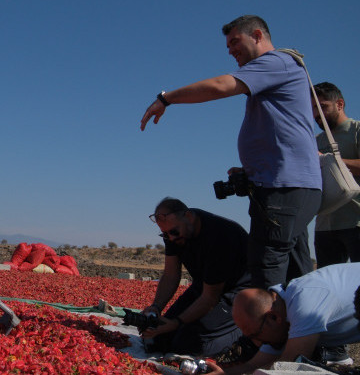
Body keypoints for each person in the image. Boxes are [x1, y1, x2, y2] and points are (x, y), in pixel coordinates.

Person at [140, 15, 321, 289]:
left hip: (283, 188)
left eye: (235, 41)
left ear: (258, 35)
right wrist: (251, 169)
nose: (230, 50)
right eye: (227, 46)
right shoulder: (278, 71)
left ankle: (266, 330)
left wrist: (166, 99)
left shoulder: (276, 63)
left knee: (266, 269)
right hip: (282, 184)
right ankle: (299, 329)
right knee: (295, 271)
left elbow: (220, 86)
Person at [139, 198, 251, 357]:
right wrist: (156, 307)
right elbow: (171, 275)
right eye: (164, 234)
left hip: (237, 294)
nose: (171, 238)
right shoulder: (174, 231)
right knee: (158, 339)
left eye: (174, 232)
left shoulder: (219, 236)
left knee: (190, 345)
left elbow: (211, 298)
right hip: (203, 287)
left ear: (189, 217)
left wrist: (176, 323)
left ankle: (244, 334)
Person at [206, 263, 360, 374]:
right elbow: (256, 364)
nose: (256, 343)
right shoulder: (277, 310)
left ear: (273, 318)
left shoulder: (304, 304)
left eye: (254, 335)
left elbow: (288, 368)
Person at [312, 82, 360, 267]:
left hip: (356, 222)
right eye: (313, 109)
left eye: (322, 106)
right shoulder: (314, 141)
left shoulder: (356, 131)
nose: (317, 114)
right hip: (325, 226)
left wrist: (330, 161)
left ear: (339, 104)